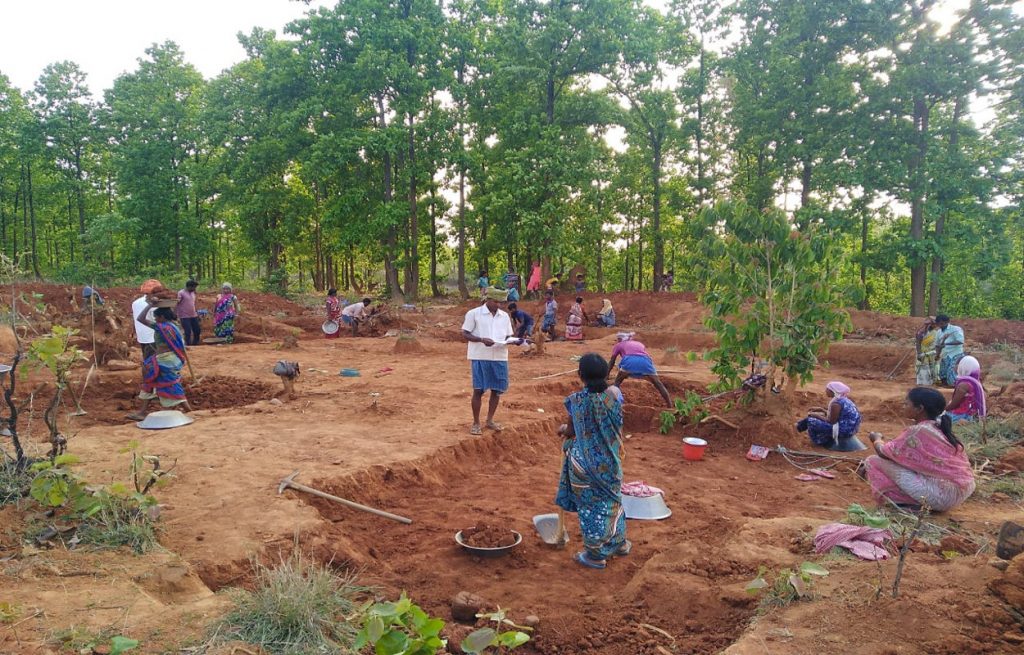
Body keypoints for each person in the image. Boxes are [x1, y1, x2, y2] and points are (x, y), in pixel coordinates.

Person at [555, 353, 629, 570]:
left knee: (590, 509)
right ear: (606, 373)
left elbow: (570, 430)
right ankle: (619, 543)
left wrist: (563, 429)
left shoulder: (576, 401)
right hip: (611, 462)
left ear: (580, 375)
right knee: (613, 502)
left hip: (583, 466)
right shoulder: (614, 396)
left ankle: (596, 555)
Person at [861, 387, 975, 512]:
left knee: (872, 461)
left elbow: (883, 452)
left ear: (919, 409)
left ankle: (905, 503)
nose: (904, 407)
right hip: (959, 492)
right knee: (899, 462)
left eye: (907, 404)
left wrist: (876, 439)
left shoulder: (918, 431)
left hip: (943, 496)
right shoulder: (938, 426)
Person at [128, 303, 191, 420]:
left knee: (168, 384)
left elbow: (140, 318)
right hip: (170, 359)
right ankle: (142, 412)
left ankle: (188, 410)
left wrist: (149, 305)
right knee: (151, 382)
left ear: (162, 317)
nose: (155, 319)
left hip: (165, 361)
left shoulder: (160, 327)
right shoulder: (175, 326)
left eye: (156, 317)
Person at [462, 298, 515, 436]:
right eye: (496, 302)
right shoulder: (474, 314)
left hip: (500, 356)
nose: (498, 305)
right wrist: (481, 339)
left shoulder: (504, 316)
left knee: (497, 390)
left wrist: (513, 341)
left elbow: (508, 335)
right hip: (480, 356)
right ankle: (476, 423)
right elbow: (465, 333)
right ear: (487, 300)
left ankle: (490, 420)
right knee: (478, 390)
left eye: (501, 302)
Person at [795, 381, 865, 451]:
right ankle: (796, 428)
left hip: (843, 431)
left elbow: (831, 421)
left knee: (810, 420)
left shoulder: (836, 404)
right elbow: (837, 416)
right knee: (815, 417)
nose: (825, 391)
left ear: (833, 391)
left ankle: (820, 441)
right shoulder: (843, 400)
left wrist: (816, 415)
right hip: (850, 429)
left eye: (827, 389)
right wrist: (822, 410)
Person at [608, 332, 671, 408]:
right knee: (658, 384)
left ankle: (610, 405)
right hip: (645, 361)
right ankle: (670, 405)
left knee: (617, 383)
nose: (617, 341)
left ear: (620, 339)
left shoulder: (619, 345)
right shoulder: (639, 344)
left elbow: (612, 362)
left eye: (618, 339)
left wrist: (606, 376)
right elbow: (641, 354)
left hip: (629, 361)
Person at [946, 356, 986, 423]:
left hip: (962, 415)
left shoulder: (963, 385)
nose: (954, 367)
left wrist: (943, 409)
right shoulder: (975, 382)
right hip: (972, 414)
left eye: (956, 365)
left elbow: (954, 405)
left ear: (962, 366)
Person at [132, 279, 162, 360]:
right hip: (153, 336)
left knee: (147, 357)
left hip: (141, 335)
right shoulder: (155, 304)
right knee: (153, 360)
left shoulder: (135, 303)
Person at [934, 314, 965, 386]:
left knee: (951, 373)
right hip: (945, 355)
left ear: (947, 322)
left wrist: (946, 344)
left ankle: (956, 386)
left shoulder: (956, 329)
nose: (940, 325)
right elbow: (937, 345)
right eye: (938, 324)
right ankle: (945, 387)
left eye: (942, 323)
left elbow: (960, 341)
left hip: (956, 354)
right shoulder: (939, 332)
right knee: (942, 374)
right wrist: (937, 354)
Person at [915, 317, 940, 385]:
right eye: (933, 324)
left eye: (935, 324)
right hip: (922, 352)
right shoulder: (921, 332)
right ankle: (924, 382)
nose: (935, 326)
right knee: (923, 367)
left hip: (932, 353)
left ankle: (933, 381)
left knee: (934, 367)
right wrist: (919, 353)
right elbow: (918, 343)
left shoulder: (935, 332)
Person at [177, 280, 201, 346]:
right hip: (184, 316)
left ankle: (195, 344)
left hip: (194, 315)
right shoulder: (181, 293)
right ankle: (188, 345)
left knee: (197, 330)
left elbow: (193, 304)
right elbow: (177, 303)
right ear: (189, 286)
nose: (194, 289)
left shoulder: (193, 293)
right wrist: (175, 314)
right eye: (194, 287)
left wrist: (197, 313)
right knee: (187, 331)